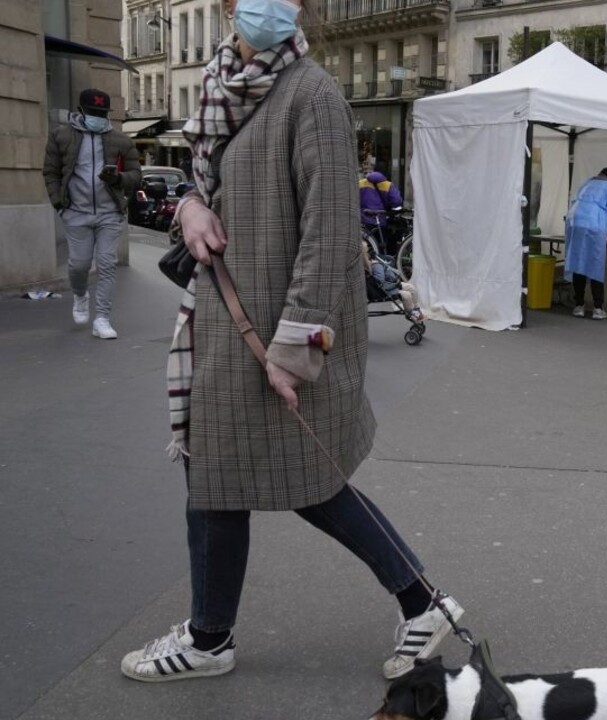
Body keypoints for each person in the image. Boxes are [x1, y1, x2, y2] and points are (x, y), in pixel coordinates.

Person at [121, 0, 462, 684]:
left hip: (274, 330)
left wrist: (297, 345)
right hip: (222, 322)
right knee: (232, 477)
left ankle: (222, 636)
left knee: (298, 479)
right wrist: (188, 208)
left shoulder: (311, 93)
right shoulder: (221, 88)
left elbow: (333, 233)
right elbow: (206, 189)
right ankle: (412, 605)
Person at [43, 87, 141, 340]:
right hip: (75, 212)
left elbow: (136, 176)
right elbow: (51, 172)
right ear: (81, 111)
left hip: (110, 213)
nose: (99, 116)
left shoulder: (121, 140)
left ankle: (102, 319)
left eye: (102, 113)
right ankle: (80, 294)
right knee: (79, 265)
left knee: (107, 265)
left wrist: (118, 177)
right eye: (94, 112)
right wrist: (59, 204)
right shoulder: (61, 136)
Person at [564, 167, 607, 319]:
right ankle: (598, 308)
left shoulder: (586, 183)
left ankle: (579, 306)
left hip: (574, 222)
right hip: (594, 226)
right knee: (595, 264)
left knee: (579, 263)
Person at [359, 169, 404, 253]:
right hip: (379, 218)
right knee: (381, 242)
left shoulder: (361, 183)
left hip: (363, 218)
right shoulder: (388, 185)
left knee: (365, 242)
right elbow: (397, 202)